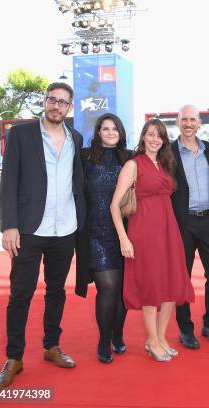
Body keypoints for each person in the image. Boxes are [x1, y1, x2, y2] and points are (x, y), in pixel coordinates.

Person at [0, 82, 86, 390]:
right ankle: (14, 358)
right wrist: (9, 225)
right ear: (45, 102)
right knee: (20, 295)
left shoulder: (76, 137)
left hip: (65, 229)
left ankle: (51, 346)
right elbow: (9, 182)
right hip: (30, 230)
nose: (56, 106)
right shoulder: (22, 134)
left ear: (69, 107)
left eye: (63, 102)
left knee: (57, 291)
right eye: (52, 100)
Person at [110, 119, 195, 362]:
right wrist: (124, 239)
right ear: (143, 137)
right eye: (150, 134)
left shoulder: (166, 164)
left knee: (170, 285)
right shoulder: (133, 165)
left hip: (169, 232)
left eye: (159, 135)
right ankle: (151, 339)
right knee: (151, 286)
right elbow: (115, 206)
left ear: (164, 139)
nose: (155, 139)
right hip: (144, 233)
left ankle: (161, 336)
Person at [75, 113, 131, 363]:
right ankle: (104, 338)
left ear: (120, 133)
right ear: (98, 132)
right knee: (108, 287)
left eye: (114, 129)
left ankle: (118, 333)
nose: (109, 132)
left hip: (126, 235)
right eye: (104, 128)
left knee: (123, 290)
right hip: (95, 234)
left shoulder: (130, 158)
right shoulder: (85, 158)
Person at [170, 105, 209, 349]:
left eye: (193, 119)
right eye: (184, 119)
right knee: (183, 276)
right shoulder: (168, 152)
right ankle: (185, 329)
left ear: (199, 122)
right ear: (178, 122)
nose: (189, 123)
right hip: (183, 222)